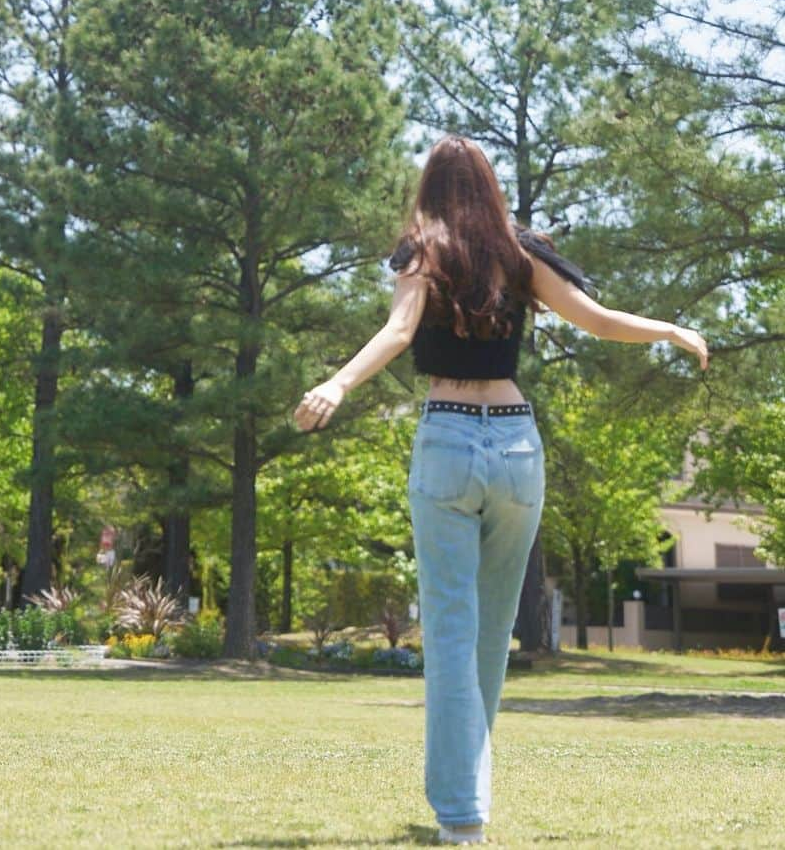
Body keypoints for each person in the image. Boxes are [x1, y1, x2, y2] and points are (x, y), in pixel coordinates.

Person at [292, 134, 709, 845]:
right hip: (517, 444)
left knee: (452, 632)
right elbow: (596, 319)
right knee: (489, 637)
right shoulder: (520, 254)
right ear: (488, 184)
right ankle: (466, 800)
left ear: (430, 185)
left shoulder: (423, 246)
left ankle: (462, 813)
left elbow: (398, 330)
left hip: (449, 437)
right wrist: (669, 328)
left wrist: (337, 382)